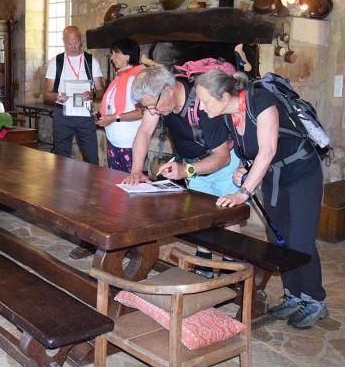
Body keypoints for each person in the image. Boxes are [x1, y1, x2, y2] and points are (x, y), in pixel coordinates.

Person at [195, 69, 327, 329]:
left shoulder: (261, 100)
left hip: (302, 172)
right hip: (274, 176)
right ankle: (293, 294)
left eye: (204, 100)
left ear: (223, 96)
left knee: (300, 240)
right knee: (280, 238)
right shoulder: (228, 117)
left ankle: (314, 300)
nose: (200, 106)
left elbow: (268, 150)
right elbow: (255, 153)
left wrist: (242, 192)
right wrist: (244, 169)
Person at [122, 65, 242, 277]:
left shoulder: (203, 105)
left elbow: (221, 157)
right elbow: (144, 131)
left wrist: (185, 170)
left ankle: (231, 272)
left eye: (154, 106)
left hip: (224, 165)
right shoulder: (158, 101)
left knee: (228, 218)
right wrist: (136, 170)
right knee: (200, 215)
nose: (153, 112)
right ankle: (203, 266)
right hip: (192, 164)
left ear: (168, 90)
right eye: (147, 108)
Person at [43, 26, 104, 165]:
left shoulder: (91, 62)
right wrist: (56, 96)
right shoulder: (56, 62)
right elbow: (46, 94)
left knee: (92, 157)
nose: (73, 47)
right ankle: (62, 186)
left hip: (85, 115)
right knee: (61, 158)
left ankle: (91, 185)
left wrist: (93, 94)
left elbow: (101, 91)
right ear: (64, 42)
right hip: (62, 114)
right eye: (69, 44)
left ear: (81, 41)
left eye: (76, 43)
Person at [95, 39, 143, 173]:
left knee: (129, 185)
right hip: (113, 141)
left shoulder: (137, 79)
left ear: (127, 56)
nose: (112, 58)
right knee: (114, 184)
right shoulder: (119, 77)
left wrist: (114, 118)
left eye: (116, 53)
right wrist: (102, 116)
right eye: (112, 53)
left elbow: (141, 112)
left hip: (130, 144)